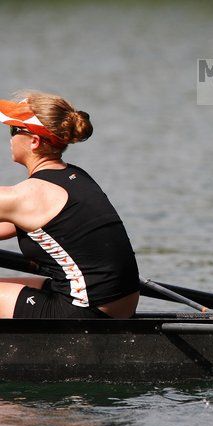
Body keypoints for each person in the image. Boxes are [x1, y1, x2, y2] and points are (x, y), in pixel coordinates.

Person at [0, 91, 139, 319]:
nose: (10, 138)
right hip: (120, 304)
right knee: (17, 283)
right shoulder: (77, 176)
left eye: (14, 130)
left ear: (34, 141)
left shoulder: (26, 196)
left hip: (86, 312)